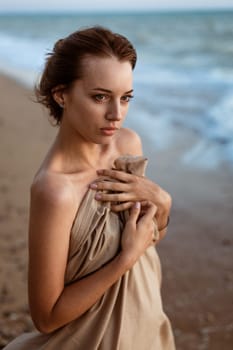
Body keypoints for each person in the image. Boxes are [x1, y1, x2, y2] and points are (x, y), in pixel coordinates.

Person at [4, 26, 175, 349]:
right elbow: (47, 316)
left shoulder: (128, 145)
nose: (116, 114)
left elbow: (150, 235)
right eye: (100, 97)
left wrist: (163, 202)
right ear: (61, 95)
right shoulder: (54, 190)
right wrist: (126, 258)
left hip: (148, 326)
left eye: (125, 98)